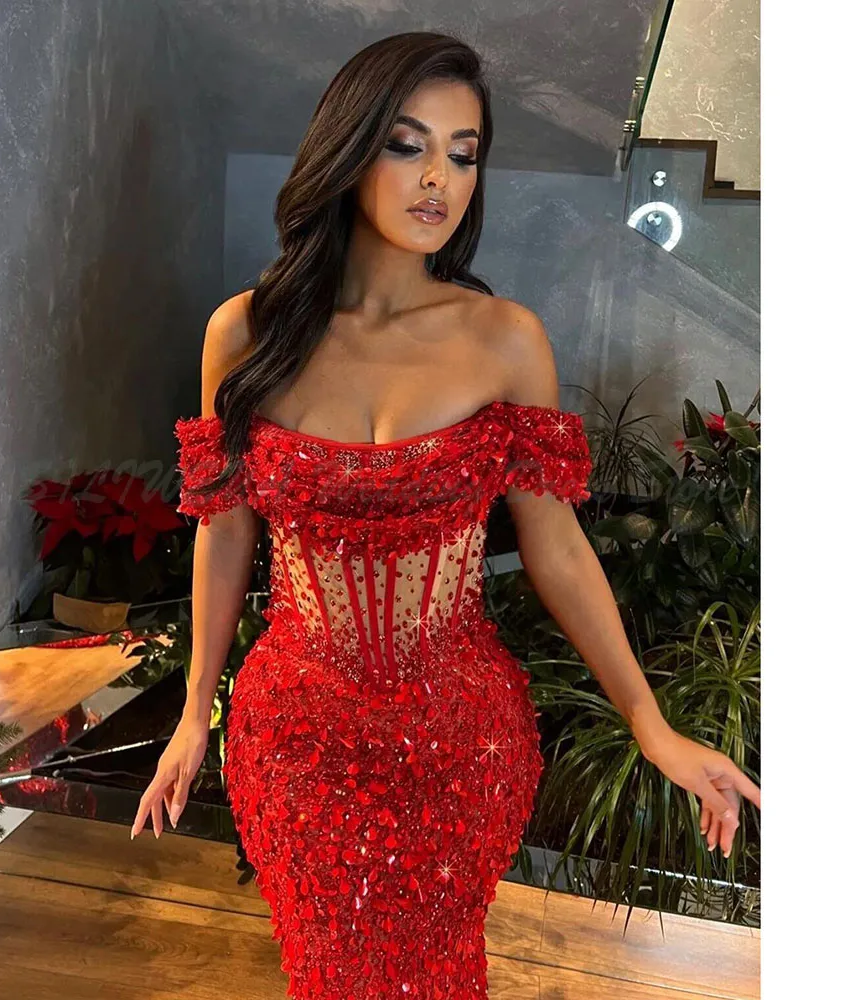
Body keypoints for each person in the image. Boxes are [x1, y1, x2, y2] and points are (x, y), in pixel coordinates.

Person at [131, 31, 761, 998]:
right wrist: (191, 716)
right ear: (348, 152)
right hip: (295, 738)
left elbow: (557, 545)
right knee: (326, 971)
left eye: (463, 155)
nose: (439, 179)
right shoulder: (246, 333)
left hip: (461, 742)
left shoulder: (505, 340)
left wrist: (650, 722)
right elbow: (224, 532)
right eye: (407, 145)